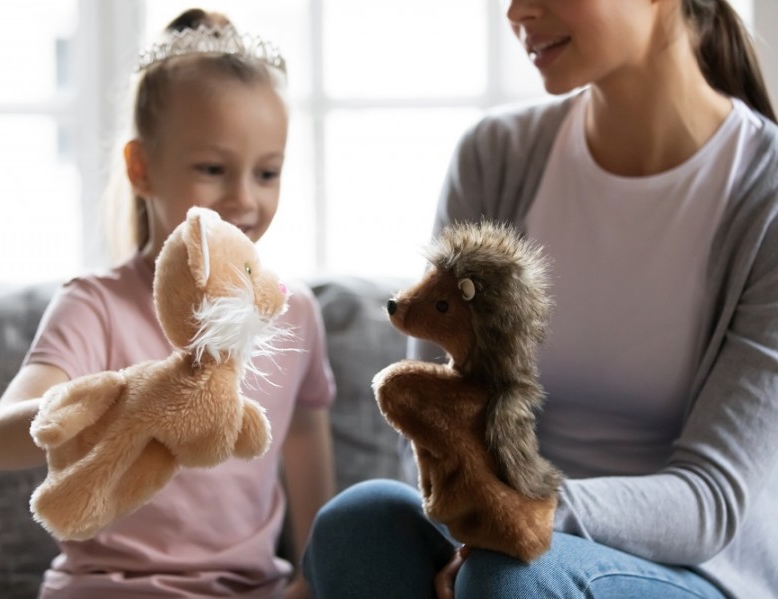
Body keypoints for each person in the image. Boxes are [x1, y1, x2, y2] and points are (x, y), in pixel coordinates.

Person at [302, 0, 778, 597]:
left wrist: (516, 513)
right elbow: (430, 405)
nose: (517, 11)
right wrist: (473, 524)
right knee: (359, 523)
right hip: (495, 546)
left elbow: (712, 500)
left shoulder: (766, 199)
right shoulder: (497, 156)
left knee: (512, 578)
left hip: (690, 572)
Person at [0, 9, 336, 599]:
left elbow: (302, 436)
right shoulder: (95, 304)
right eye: (213, 169)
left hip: (251, 590)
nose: (245, 199)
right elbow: (1, 441)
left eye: (268, 172)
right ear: (141, 168)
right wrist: (128, 400)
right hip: (105, 588)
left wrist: (313, 577)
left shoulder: (291, 309)